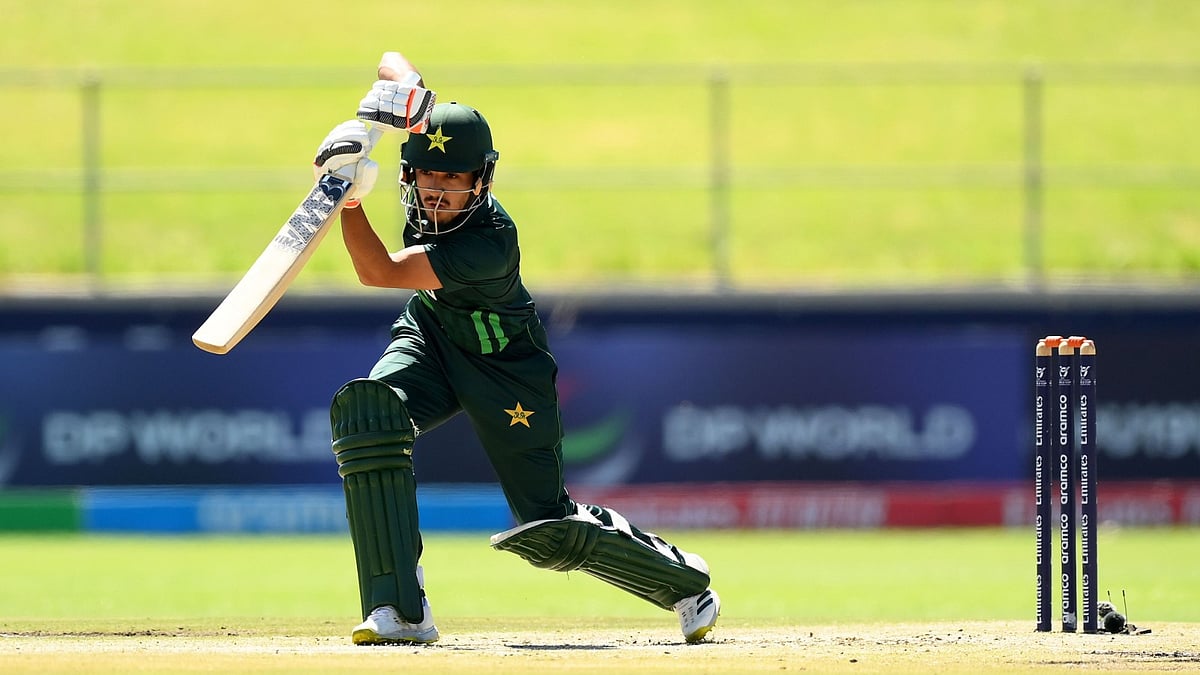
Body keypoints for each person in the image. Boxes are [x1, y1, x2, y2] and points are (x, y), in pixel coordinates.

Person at [312, 55, 720, 646]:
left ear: (482, 181)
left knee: (547, 528)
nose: (437, 192)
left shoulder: (490, 242)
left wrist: (347, 199)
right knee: (369, 416)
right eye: (427, 176)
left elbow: (379, 272)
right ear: (408, 175)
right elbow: (392, 62)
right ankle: (398, 609)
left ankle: (685, 582)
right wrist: (403, 97)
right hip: (431, 336)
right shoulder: (429, 183)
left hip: (506, 368)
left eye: (454, 179)